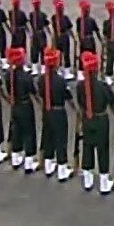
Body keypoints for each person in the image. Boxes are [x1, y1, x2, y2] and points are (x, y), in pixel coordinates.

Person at [77, 51, 114, 194]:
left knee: (87, 146)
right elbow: (112, 103)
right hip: (101, 119)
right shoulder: (102, 86)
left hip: (87, 118)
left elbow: (80, 104)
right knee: (102, 149)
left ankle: (88, 180)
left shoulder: (80, 86)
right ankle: (103, 181)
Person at [38, 46, 76, 181]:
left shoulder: (41, 79)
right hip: (58, 111)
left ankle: (48, 165)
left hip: (46, 111)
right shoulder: (60, 81)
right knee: (60, 139)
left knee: (48, 137)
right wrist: (75, 110)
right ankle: (61, 167)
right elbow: (68, 98)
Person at [2, 46, 39, 173]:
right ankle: (29, 161)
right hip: (25, 104)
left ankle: (16, 157)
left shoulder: (8, 75)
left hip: (15, 104)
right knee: (28, 132)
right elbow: (33, 92)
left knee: (16, 130)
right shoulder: (26, 76)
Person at [75, 0, 102, 81]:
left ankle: (92, 71)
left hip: (90, 40)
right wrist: (80, 40)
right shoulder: (79, 20)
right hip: (83, 40)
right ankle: (80, 72)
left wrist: (101, 40)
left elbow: (96, 31)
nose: (87, 11)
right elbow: (78, 31)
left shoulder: (92, 20)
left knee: (92, 56)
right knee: (82, 57)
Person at [51, 0, 76, 80]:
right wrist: (74, 38)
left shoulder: (53, 18)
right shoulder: (65, 18)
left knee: (59, 54)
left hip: (57, 37)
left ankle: (59, 70)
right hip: (63, 37)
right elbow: (69, 29)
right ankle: (66, 72)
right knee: (65, 54)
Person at [29, 0, 50, 74]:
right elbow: (46, 25)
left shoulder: (32, 15)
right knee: (38, 50)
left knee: (39, 50)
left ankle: (38, 68)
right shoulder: (42, 15)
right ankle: (40, 68)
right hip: (39, 34)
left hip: (37, 33)